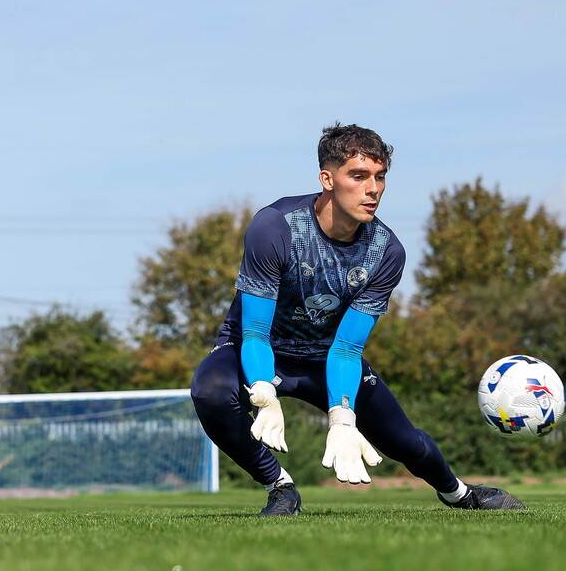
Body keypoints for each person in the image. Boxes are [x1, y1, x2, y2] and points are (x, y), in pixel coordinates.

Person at [190, 122, 524, 515]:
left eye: (380, 177)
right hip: (257, 347)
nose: (374, 189)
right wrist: (263, 389)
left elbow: (347, 347)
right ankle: (280, 487)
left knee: (404, 441)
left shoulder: (387, 252)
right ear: (327, 179)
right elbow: (255, 331)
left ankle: (458, 493)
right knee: (210, 391)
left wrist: (343, 417)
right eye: (359, 175)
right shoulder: (275, 227)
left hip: (327, 355)